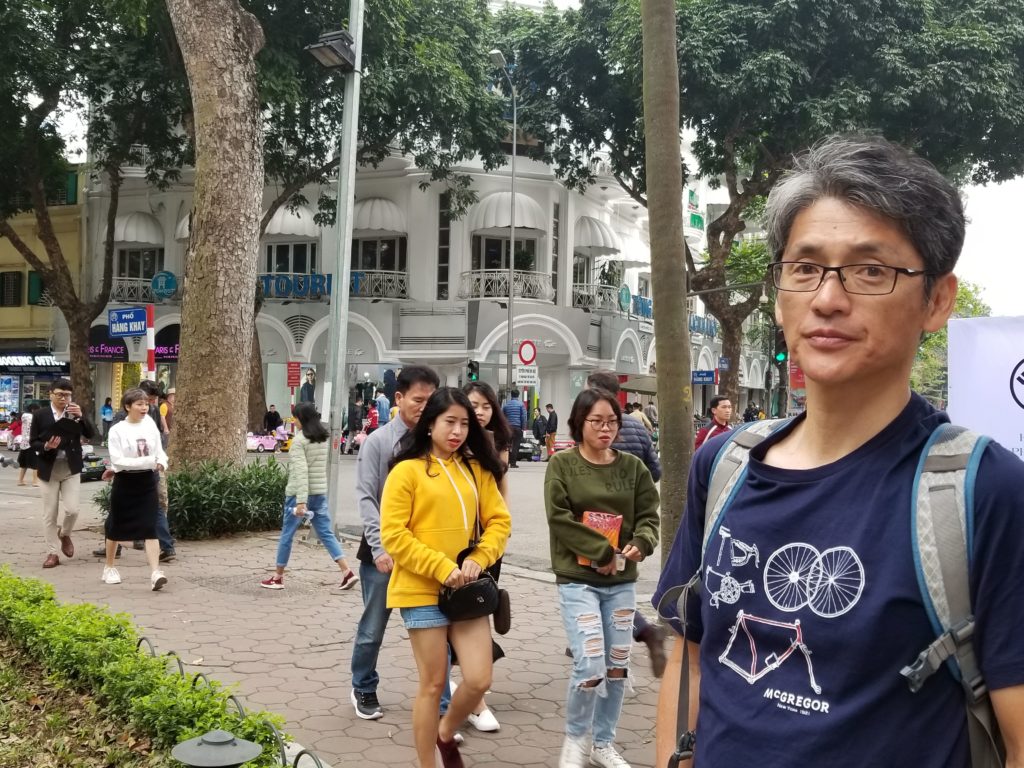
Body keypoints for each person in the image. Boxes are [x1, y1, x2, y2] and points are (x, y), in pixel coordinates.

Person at [652, 135, 1024, 768]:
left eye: (871, 270)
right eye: (805, 268)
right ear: (779, 293)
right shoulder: (725, 467)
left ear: (937, 300)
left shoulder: (982, 492)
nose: (827, 298)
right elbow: (691, 656)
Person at [380, 387, 511, 768]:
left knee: (479, 678)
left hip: (466, 593)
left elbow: (499, 522)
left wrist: (479, 558)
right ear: (429, 424)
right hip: (420, 589)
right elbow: (394, 535)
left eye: (464, 424)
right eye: (449, 422)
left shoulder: (475, 470)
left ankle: (445, 732)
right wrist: (442, 568)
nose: (457, 431)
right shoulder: (406, 471)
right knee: (434, 683)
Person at [545, 387, 660, 768]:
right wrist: (603, 552)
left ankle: (603, 743)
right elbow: (559, 518)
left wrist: (641, 543)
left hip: (621, 584)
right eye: (596, 421)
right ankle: (576, 738)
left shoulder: (633, 468)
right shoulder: (562, 465)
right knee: (590, 663)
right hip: (577, 580)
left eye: (612, 421)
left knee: (617, 665)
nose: (605, 429)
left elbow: (649, 516)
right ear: (579, 423)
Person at [351, 365, 441, 721]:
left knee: (434, 628)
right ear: (399, 398)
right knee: (373, 628)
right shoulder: (378, 442)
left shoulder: (436, 441)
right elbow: (366, 497)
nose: (425, 407)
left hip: (424, 552)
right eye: (418, 400)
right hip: (384, 553)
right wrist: (379, 548)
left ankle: (442, 701)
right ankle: (363, 685)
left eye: (431, 400)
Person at [585, 371, 666, 676]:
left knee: (596, 584)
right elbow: (655, 470)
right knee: (615, 584)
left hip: (599, 521)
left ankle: (635, 633)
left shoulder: (593, 427)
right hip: (631, 523)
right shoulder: (637, 425)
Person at [260, 402, 358, 591]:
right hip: (319, 493)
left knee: (287, 535)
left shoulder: (299, 441)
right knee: (326, 533)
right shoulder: (322, 438)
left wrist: (301, 502)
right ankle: (347, 572)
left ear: (302, 419)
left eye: (295, 417)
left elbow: (301, 472)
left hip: (299, 495)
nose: (293, 421)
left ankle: (278, 577)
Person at [461, 380, 514, 731]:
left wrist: (503, 529)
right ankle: (471, 694)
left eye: (486, 406)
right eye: (474, 405)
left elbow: (501, 486)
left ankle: (473, 687)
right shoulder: (454, 437)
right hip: (456, 539)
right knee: (460, 612)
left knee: (479, 604)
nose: (480, 412)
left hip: (488, 539)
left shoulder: (498, 442)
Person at [101, 388, 169, 590]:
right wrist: (149, 461)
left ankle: (156, 572)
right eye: (139, 404)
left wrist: (162, 462)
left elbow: (160, 451)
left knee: (150, 527)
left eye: (146, 404)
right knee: (116, 526)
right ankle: (109, 567)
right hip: (125, 482)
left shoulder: (149, 425)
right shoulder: (117, 430)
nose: (144, 407)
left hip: (147, 481)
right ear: (127, 406)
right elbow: (118, 461)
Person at [30, 378, 96, 568]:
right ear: (50, 394)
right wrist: (45, 446)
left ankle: (64, 534)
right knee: (50, 514)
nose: (64, 398)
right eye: (60, 394)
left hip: (70, 468)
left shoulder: (74, 412)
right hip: (48, 470)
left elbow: (91, 434)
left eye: (67, 395)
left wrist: (82, 417)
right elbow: (32, 442)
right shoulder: (40, 415)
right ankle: (52, 553)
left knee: (72, 510)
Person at [501, 389, 527, 468]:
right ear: (518, 395)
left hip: (508, 428)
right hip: (517, 427)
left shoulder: (506, 405)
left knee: (507, 445)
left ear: (511, 395)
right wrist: (523, 427)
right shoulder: (521, 405)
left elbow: (502, 416)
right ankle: (513, 463)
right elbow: (524, 417)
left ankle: (506, 461)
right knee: (516, 445)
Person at [16, 405, 39, 486]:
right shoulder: (33, 417)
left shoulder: (24, 416)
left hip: (24, 443)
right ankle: (35, 482)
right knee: (36, 463)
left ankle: (20, 481)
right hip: (32, 442)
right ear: (33, 410)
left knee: (24, 464)